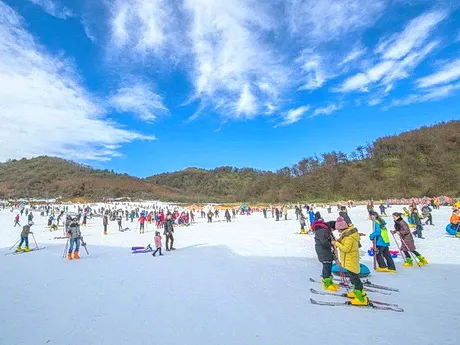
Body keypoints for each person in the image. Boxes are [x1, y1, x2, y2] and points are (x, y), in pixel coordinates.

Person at [332, 221, 369, 306]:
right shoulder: (346, 235)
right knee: (352, 278)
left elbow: (346, 249)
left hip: (351, 260)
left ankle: (361, 297)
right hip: (348, 260)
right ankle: (356, 292)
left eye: (338, 230)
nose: (338, 232)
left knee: (355, 278)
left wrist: (336, 243)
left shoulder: (349, 237)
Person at [312, 212, 339, 292]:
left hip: (326, 250)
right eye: (333, 229)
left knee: (329, 264)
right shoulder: (322, 230)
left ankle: (329, 281)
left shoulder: (325, 229)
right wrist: (331, 244)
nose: (333, 231)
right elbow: (324, 241)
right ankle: (326, 283)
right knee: (326, 265)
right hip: (323, 250)